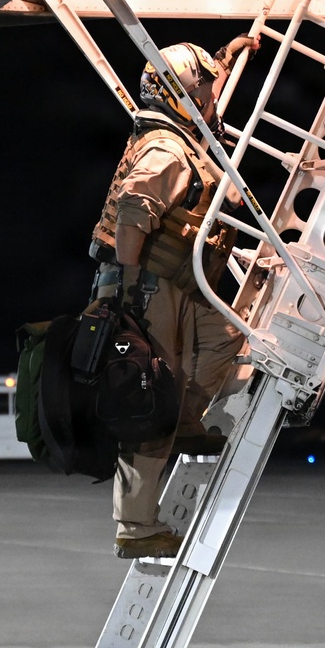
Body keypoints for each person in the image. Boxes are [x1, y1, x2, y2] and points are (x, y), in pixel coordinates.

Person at [90, 36, 257, 558]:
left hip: (177, 284)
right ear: (185, 95)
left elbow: (200, 90)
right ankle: (136, 528)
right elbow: (133, 215)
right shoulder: (166, 148)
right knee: (148, 402)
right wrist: (130, 291)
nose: (212, 99)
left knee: (227, 337)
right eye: (205, 90)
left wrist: (229, 56)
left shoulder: (177, 135)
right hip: (147, 287)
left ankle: (184, 422)